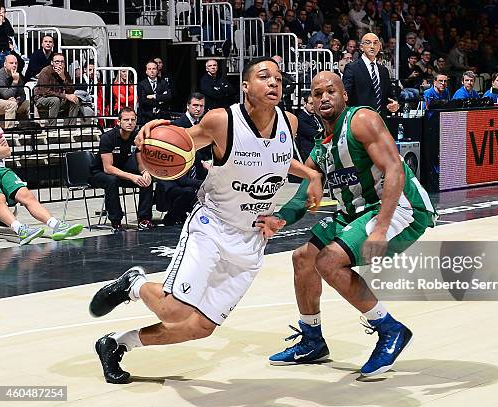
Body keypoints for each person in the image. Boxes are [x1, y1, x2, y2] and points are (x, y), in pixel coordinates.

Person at [88, 57, 323, 384]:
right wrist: (152, 133)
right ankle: (135, 284)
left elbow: (280, 160)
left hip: (251, 240)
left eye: (279, 79)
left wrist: (310, 172)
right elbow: (184, 141)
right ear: (244, 86)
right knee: (174, 311)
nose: (274, 83)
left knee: (199, 327)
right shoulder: (222, 121)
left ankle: (116, 344)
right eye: (264, 76)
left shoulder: (290, 123)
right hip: (212, 226)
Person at [262, 71, 437, 376]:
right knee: (303, 258)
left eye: (331, 91)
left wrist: (381, 228)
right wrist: (279, 219)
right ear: (311, 103)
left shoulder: (361, 120)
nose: (324, 97)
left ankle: (389, 329)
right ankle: (312, 339)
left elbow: (395, 168)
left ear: (344, 96)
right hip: (356, 210)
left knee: (329, 262)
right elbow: (306, 193)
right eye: (317, 94)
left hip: (398, 207)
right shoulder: (322, 145)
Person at [0, 126, 83, 244]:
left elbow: (6, 151)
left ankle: (56, 225)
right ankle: (20, 230)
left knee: (26, 195)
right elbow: (1, 151)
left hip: (1, 169)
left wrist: (1, 151)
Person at [88, 107, 154, 232]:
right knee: (111, 180)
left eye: (133, 120)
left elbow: (140, 164)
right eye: (126, 120)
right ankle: (116, 221)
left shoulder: (137, 137)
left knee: (146, 181)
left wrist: (145, 172)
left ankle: (144, 219)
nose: (130, 122)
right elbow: (108, 168)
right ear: (119, 122)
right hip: (99, 173)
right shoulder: (107, 138)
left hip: (123, 173)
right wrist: (132, 177)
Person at [155, 92, 209, 226]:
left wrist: (207, 162)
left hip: (195, 169)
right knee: (192, 189)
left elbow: (206, 150)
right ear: (188, 106)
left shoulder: (204, 126)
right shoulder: (176, 126)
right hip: (174, 176)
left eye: (201, 106)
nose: (198, 108)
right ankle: (173, 216)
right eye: (195, 105)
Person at [342, 33, 399, 117]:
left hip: (381, 121)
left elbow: (389, 96)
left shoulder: (384, 70)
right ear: (361, 47)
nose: (372, 46)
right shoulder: (352, 68)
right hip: (360, 120)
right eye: (368, 42)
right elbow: (345, 96)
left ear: (379, 47)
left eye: (375, 43)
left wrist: (394, 104)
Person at [33, 53, 80, 127]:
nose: (60, 64)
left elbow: (71, 91)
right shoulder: (46, 71)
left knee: (74, 99)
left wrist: (63, 77)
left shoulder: (64, 73)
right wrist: (65, 95)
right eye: (57, 62)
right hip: (41, 98)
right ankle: (52, 128)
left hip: (60, 98)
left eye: (62, 62)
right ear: (52, 63)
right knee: (55, 100)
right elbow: (45, 92)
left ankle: (71, 127)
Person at [0, 55, 30, 129]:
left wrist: (17, 100)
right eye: (11, 63)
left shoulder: (17, 75)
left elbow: (23, 95)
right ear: (5, 64)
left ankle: (34, 128)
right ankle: (10, 131)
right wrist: (15, 81)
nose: (14, 65)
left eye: (16, 63)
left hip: (13, 102)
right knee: (11, 105)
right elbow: (6, 95)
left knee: (29, 104)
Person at [137, 60, 172, 124]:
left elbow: (168, 97)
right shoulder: (141, 84)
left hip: (162, 116)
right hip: (146, 117)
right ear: (146, 71)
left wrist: (154, 96)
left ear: (157, 71)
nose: (152, 71)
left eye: (154, 69)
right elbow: (143, 100)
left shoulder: (163, 82)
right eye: (149, 69)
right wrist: (160, 99)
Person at [296, 93, 323, 161]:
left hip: (321, 147)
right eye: (311, 103)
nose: (313, 106)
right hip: (310, 151)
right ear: (304, 104)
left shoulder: (317, 115)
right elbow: (314, 135)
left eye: (315, 103)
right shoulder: (301, 119)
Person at [0, 5, 14, 70]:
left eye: (4, 12)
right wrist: (0, 25)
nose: (2, 14)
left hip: (6, 50)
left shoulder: (6, 21)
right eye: (0, 12)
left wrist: (10, 42)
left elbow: (11, 33)